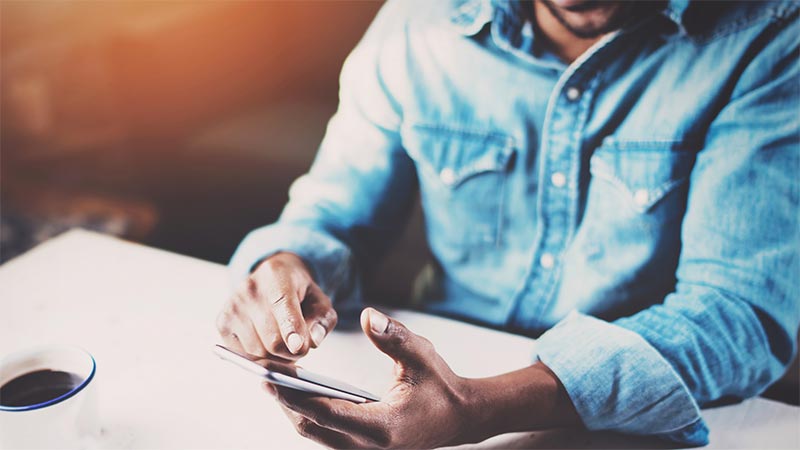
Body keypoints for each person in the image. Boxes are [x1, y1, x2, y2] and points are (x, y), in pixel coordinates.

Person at [216, 0, 800, 447]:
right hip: (420, 387)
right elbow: (331, 216)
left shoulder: (768, 32)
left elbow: (739, 315)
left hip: (635, 426)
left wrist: (481, 405)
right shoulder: (420, 21)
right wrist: (285, 266)